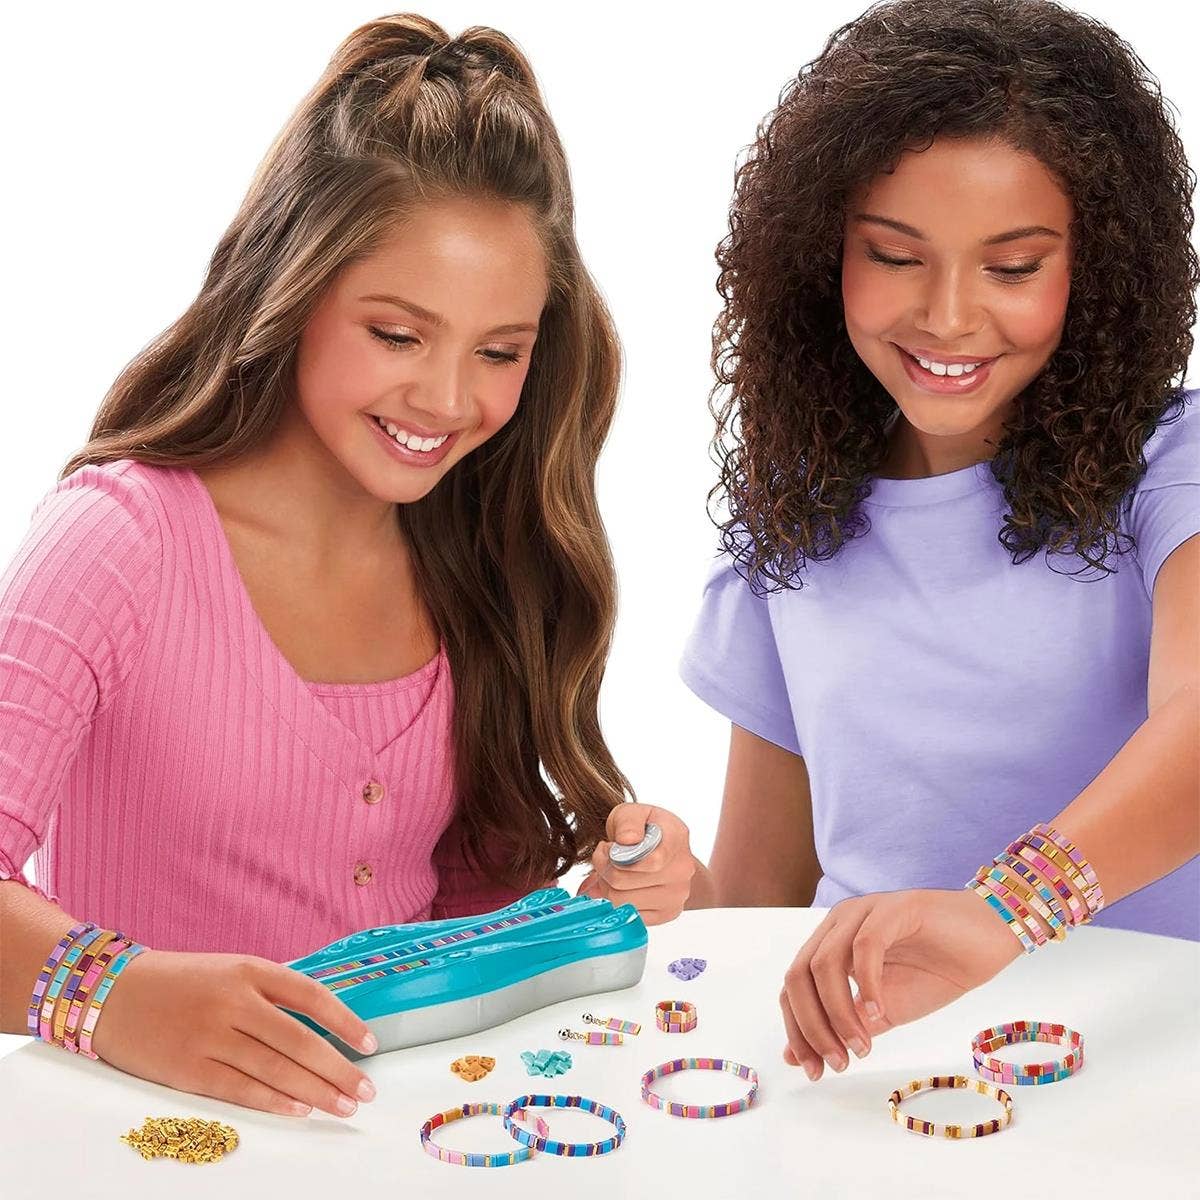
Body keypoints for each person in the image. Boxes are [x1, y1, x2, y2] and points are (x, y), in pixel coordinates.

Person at [0, 15, 696, 1121]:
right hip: (139, 1154)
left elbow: (461, 932)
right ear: (293, 288)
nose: (448, 399)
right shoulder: (117, 542)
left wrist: (602, 898)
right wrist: (118, 996)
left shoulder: (471, 559)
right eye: (398, 334)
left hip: (404, 1148)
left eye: (499, 352)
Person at [680, 0, 1199, 1083]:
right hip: (873, 1092)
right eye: (894, 256)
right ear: (821, 252)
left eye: (1012, 267)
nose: (950, 317)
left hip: (1137, 1083)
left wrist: (1004, 909)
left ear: (1095, 269)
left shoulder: (1173, 467)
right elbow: (758, 899)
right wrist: (664, 894)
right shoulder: (796, 514)